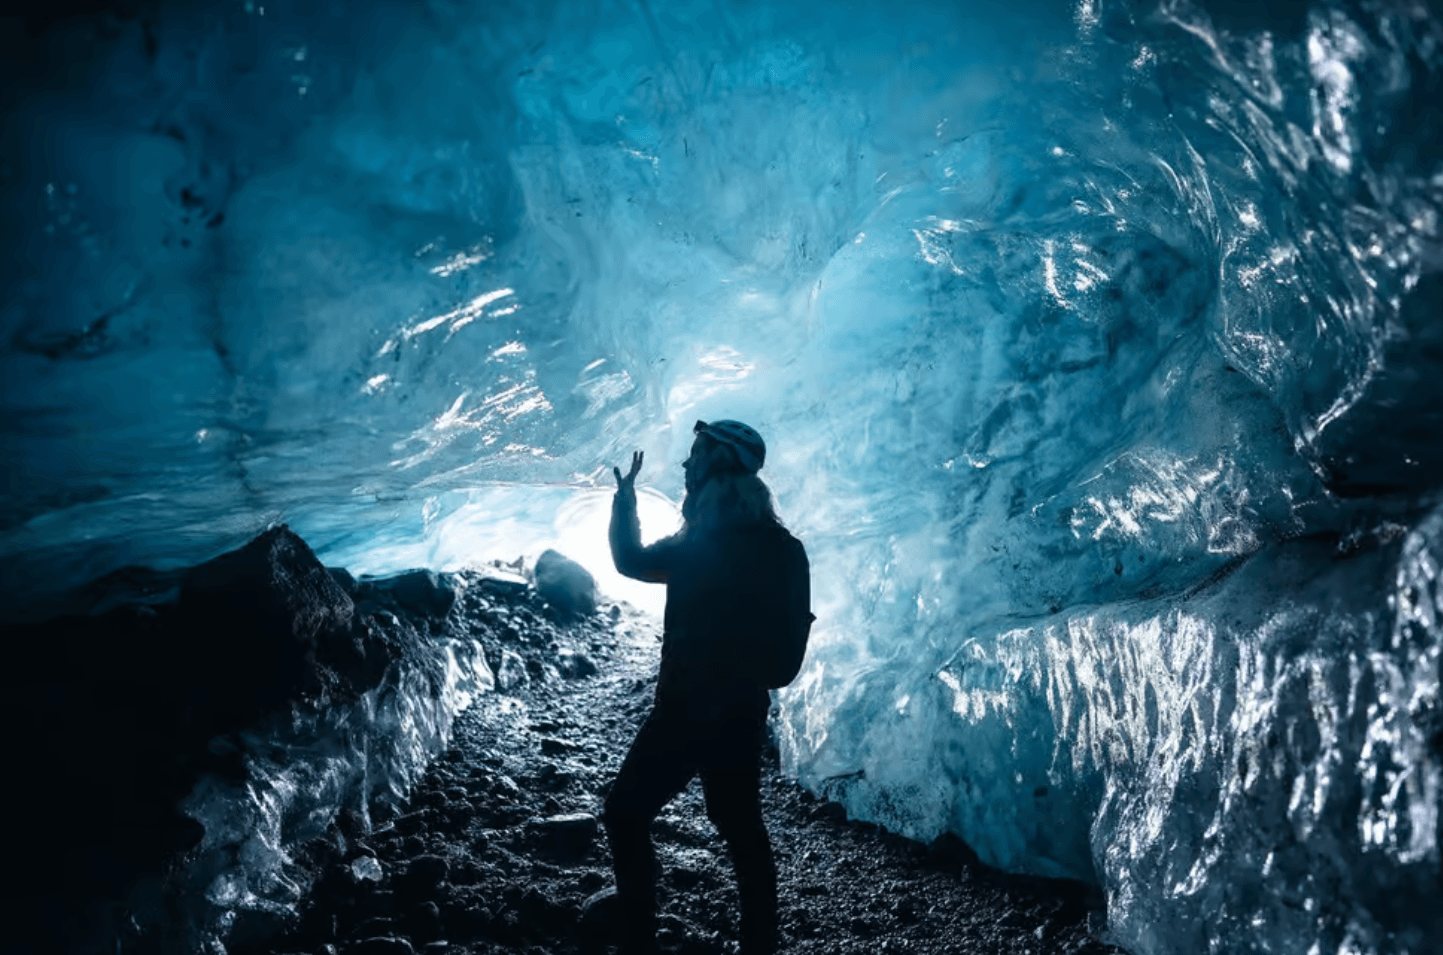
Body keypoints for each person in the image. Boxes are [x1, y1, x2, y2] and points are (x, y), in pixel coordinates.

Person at [603, 419, 811, 955]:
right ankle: (760, 944)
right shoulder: (783, 549)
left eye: (695, 454)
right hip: (739, 714)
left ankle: (639, 942)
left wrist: (625, 503)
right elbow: (785, 661)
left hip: (682, 710)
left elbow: (631, 561)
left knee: (627, 812)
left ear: (718, 465)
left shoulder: (696, 544)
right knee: (739, 826)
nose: (685, 463)